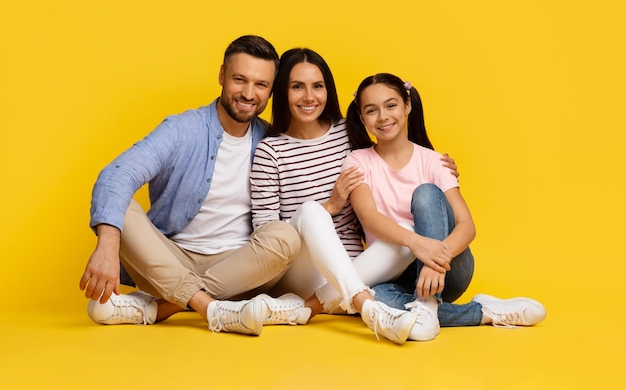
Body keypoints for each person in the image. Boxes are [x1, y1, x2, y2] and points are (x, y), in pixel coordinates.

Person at [79, 35, 313, 336]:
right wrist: (107, 247)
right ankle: (213, 308)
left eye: (261, 85)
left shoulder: (271, 141)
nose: (248, 93)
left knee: (284, 236)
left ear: (270, 91)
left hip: (240, 270)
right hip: (169, 259)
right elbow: (116, 175)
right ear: (221, 76)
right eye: (239, 79)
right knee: (121, 207)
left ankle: (161, 307)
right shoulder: (182, 129)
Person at [251, 48, 460, 343]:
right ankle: (367, 307)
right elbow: (265, 238)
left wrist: (442, 168)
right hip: (300, 271)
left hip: (357, 271)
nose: (309, 97)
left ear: (329, 91)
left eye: (318, 86)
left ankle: (316, 306)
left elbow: (390, 150)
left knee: (404, 233)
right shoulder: (270, 151)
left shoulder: (347, 133)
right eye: (297, 87)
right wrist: (332, 205)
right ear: (281, 93)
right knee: (313, 211)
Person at [344, 72, 546, 338]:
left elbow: (467, 226)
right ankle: (483, 312)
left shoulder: (435, 162)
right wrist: (417, 244)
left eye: (391, 105)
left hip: (448, 269)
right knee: (375, 300)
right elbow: (369, 217)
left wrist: (434, 262)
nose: (383, 116)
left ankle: (428, 302)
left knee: (426, 193)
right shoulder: (358, 161)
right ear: (361, 117)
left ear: (407, 106)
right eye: (372, 110)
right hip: (392, 277)